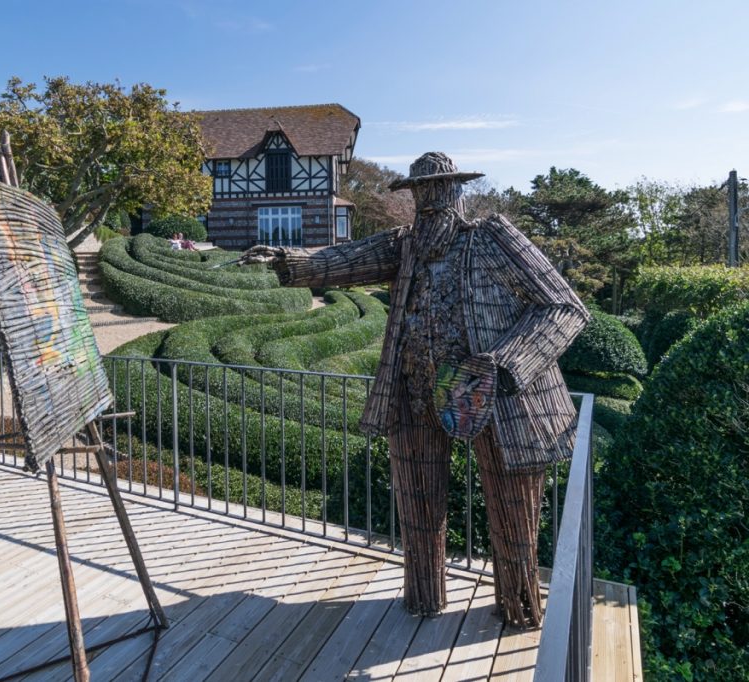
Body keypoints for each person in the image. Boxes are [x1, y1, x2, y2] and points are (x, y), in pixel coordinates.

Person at [240, 152, 589, 628]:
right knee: (419, 512)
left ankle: (519, 608)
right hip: (416, 394)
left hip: (496, 399)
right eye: (421, 191)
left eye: (439, 189)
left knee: (513, 519)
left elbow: (564, 307)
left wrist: (505, 364)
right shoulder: (405, 246)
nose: (430, 200)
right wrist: (286, 257)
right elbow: (343, 259)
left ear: (456, 192)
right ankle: (424, 597)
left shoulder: (494, 240)